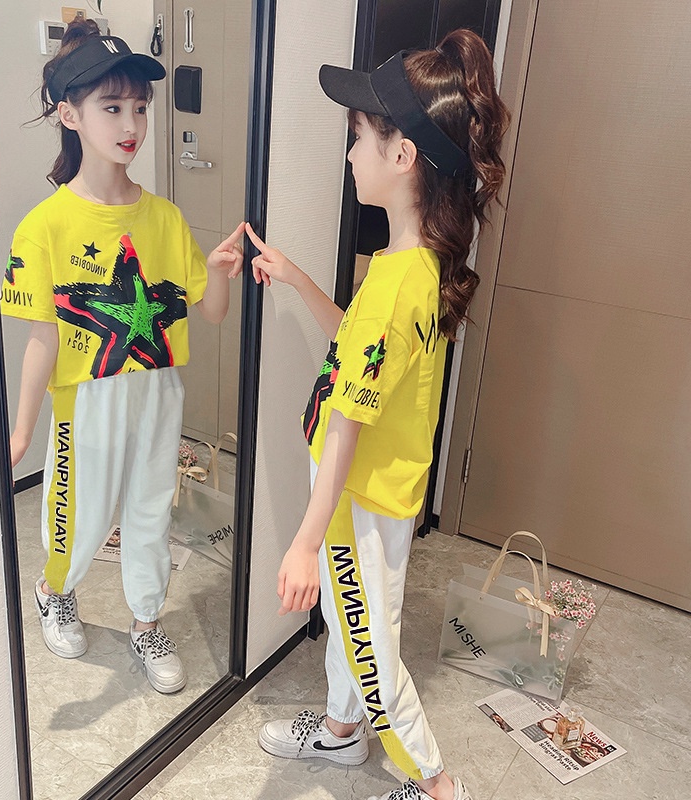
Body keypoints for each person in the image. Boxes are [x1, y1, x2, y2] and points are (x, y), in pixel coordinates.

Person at [246, 29, 509, 800]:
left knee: (369, 651)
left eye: (359, 137)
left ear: (402, 156)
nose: (350, 154)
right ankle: (340, 733)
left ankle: (436, 785)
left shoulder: (398, 285)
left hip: (357, 498)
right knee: (348, 619)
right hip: (361, 492)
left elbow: (350, 422)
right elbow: (356, 356)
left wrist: (304, 540)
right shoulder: (407, 266)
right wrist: (298, 279)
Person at [0, 20, 244, 694]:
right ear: (69, 114)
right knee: (77, 515)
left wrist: (217, 270)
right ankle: (55, 591)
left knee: (149, 512)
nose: (131, 123)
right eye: (112, 107)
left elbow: (211, 312)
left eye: (140, 107)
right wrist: (22, 429)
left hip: (158, 390)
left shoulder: (164, 217)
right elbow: (43, 338)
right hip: (87, 399)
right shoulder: (44, 226)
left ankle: (145, 621)